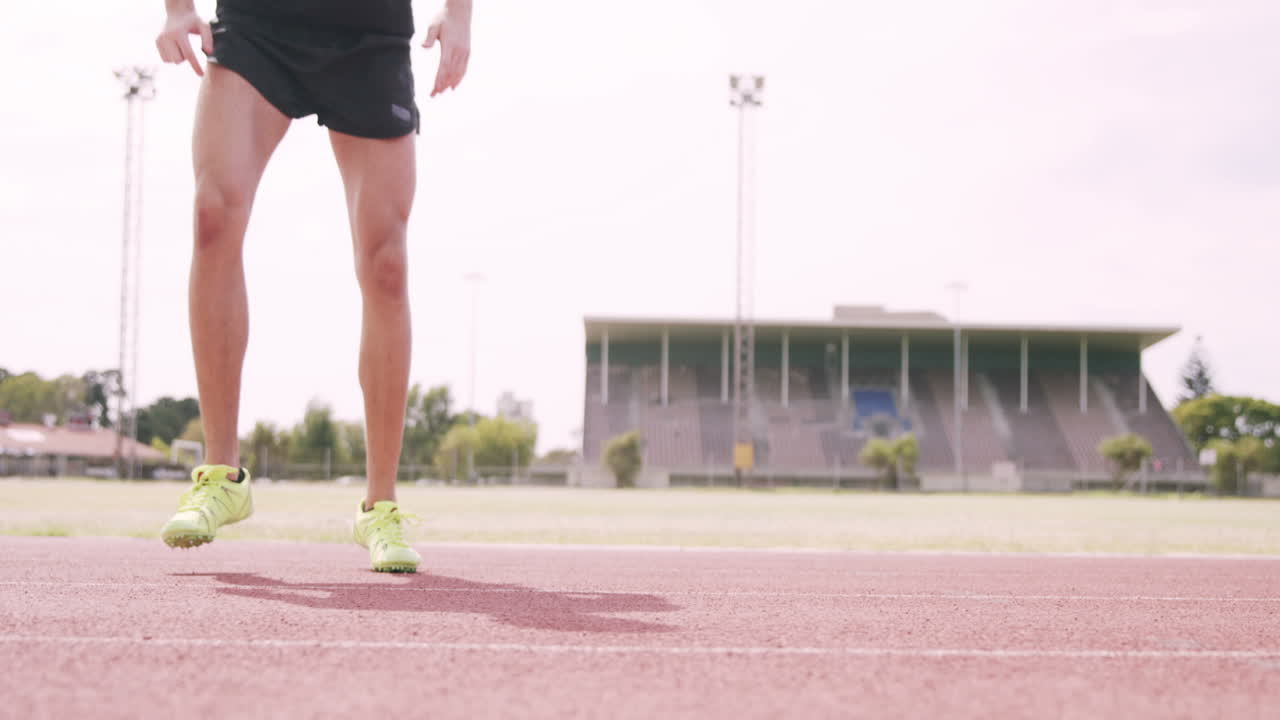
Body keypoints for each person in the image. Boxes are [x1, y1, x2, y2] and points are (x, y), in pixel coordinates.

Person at [152, 0, 471, 573]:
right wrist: (179, 10)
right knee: (213, 215)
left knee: (386, 264)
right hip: (258, 25)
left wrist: (459, 15)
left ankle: (380, 506)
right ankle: (223, 477)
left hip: (368, 34)